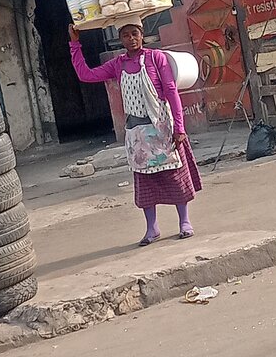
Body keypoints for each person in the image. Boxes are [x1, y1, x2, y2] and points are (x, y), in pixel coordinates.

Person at [69, 21, 200, 246]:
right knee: (145, 182)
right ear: (120, 39)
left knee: (175, 176)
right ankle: (152, 228)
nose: (131, 39)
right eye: (126, 35)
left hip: (161, 128)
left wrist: (180, 128)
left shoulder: (155, 58)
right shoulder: (117, 64)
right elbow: (86, 75)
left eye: (135, 34)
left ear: (142, 35)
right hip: (136, 134)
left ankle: (184, 222)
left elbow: (171, 92)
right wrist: (74, 43)